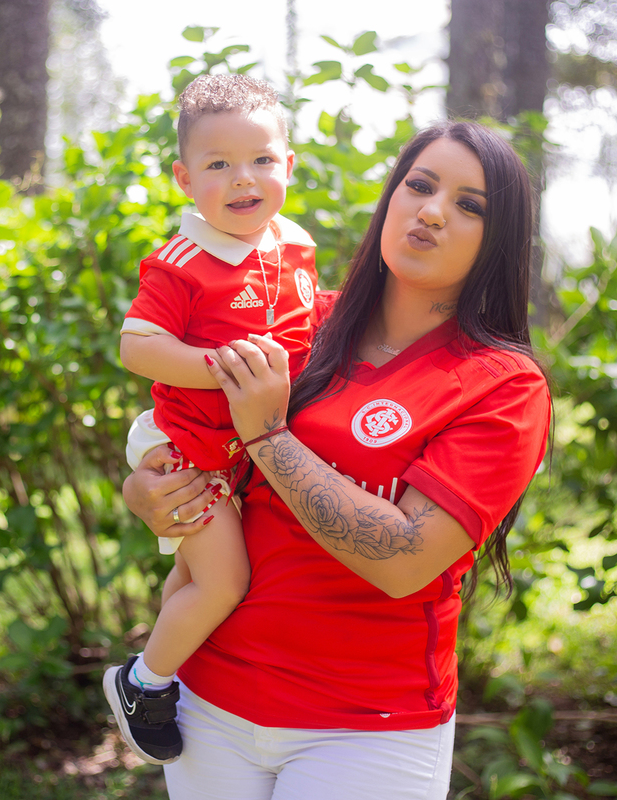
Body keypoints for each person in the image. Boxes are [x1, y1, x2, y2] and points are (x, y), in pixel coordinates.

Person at [122, 120, 551, 800]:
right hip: (209, 702)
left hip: (367, 727)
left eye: (470, 205)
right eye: (419, 185)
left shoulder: (503, 387)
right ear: (391, 198)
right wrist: (149, 490)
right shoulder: (298, 324)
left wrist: (269, 437)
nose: (432, 211)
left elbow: (403, 560)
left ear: (498, 239)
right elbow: (189, 421)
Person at [104, 73, 319, 766]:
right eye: (218, 164)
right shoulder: (183, 262)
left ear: (288, 165)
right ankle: (143, 683)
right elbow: (136, 346)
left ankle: (165, 658)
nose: (243, 178)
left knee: (199, 580)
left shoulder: (293, 244)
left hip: (244, 448)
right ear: (184, 179)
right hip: (189, 449)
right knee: (226, 583)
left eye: (261, 159)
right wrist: (222, 369)